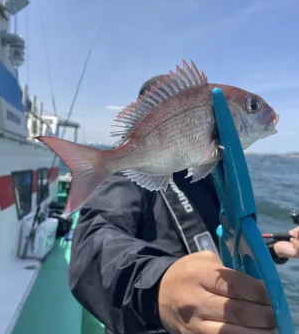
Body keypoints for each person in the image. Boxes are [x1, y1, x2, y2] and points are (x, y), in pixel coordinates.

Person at [68, 75, 299, 334]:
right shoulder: (127, 177)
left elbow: (225, 240)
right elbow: (92, 245)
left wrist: (278, 248)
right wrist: (159, 287)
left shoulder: (210, 174)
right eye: (253, 107)